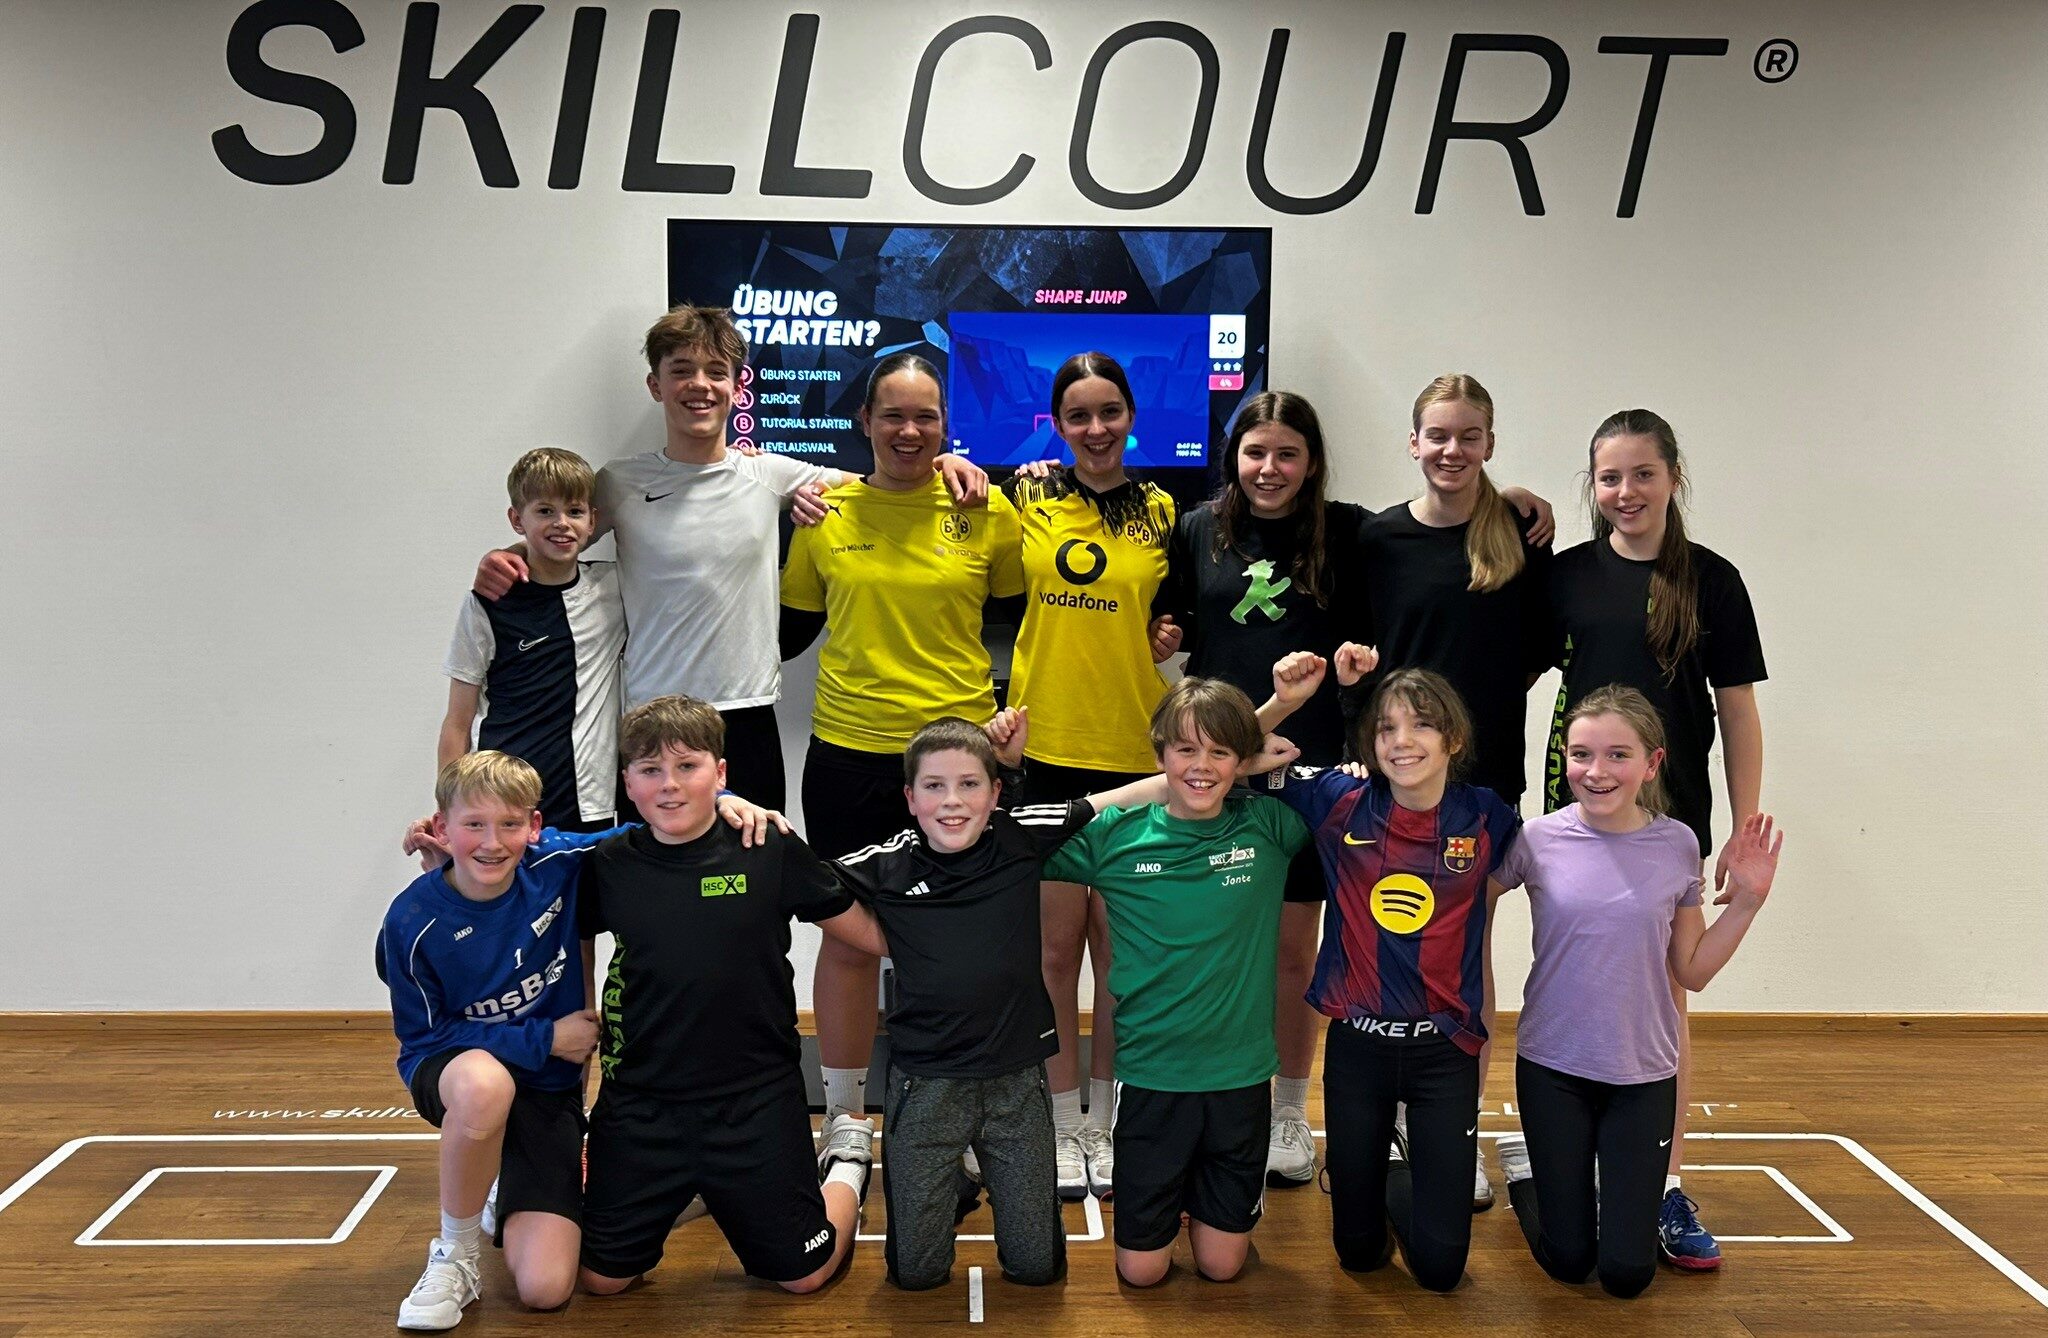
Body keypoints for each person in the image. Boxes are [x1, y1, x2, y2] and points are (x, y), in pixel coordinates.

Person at [472, 307, 986, 808]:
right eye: (682, 370)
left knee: (755, 863)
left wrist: (945, 460)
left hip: (749, 718)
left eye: (716, 371)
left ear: (738, 387)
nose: (700, 384)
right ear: (655, 385)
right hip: (653, 717)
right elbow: (558, 540)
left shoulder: (771, 475)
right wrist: (507, 555)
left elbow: (887, 484)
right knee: (653, 864)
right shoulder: (620, 481)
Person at [780, 352, 1025, 1168]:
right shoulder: (824, 514)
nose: (909, 431)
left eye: (926, 416)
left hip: (959, 763)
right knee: (851, 941)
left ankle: (959, 1111)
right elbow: (785, 631)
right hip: (849, 755)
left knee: (961, 944)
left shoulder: (986, 509)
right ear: (865, 421)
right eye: (893, 414)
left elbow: (1027, 620)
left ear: (946, 424)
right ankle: (847, 1117)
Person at [832, 711, 1174, 1291]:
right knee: (916, 1276)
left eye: (969, 784)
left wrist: (1235, 754)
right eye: (934, 786)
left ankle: (971, 1180)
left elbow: (1127, 795)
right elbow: (801, 885)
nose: (952, 801)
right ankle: (948, 1183)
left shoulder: (1019, 836)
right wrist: (738, 810)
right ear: (910, 798)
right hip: (926, 1083)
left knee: (1037, 1268)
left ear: (995, 793)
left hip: (1016, 1080)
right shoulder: (886, 863)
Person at [1542, 408, 1768, 1269]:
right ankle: (1566, 1154)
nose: (1626, 491)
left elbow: (1738, 712)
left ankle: (1663, 1182)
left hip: (1671, 821)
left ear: (1673, 476)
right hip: (1576, 812)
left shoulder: (1713, 581)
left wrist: (1743, 825)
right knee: (1573, 977)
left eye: (1643, 474)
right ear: (1592, 485)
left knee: (1668, 998)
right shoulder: (1565, 576)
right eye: (1610, 477)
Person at [574, 695, 890, 1296]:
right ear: (628, 784)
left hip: (755, 1098)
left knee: (805, 1276)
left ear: (719, 774)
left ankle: (847, 1163)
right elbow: (516, 865)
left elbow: (869, 934)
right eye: (650, 770)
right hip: (642, 1100)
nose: (669, 785)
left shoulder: (767, 847)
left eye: (687, 766)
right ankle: (706, 1190)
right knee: (600, 1280)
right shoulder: (607, 863)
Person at [1149, 390, 1372, 1190]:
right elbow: (1166, 622)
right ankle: (1197, 1100)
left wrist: (1511, 499)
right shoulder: (1196, 530)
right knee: (1205, 941)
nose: (1269, 469)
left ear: (1311, 462)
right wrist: (1162, 634)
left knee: (1290, 951)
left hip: (1309, 772)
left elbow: (1435, 527)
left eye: (1286, 454)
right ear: (1232, 458)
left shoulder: (1348, 532)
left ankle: (1286, 1109)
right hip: (1213, 770)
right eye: (1255, 453)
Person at [1496, 686, 1782, 1297]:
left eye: (1617, 755)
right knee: (1569, 1262)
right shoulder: (1536, 839)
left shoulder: (1678, 843)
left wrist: (1749, 902)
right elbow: (1460, 904)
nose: (1596, 771)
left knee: (1627, 1275)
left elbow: (1692, 970)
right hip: (1552, 1067)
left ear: (1652, 763)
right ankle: (1527, 1174)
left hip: (1643, 1075)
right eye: (1581, 755)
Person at [1254, 654, 1519, 1292]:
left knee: (1441, 1270)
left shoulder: (1488, 815)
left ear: (1453, 739)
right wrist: (1282, 704)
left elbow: (1566, 859)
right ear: (1370, 745)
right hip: (1359, 1049)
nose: (1402, 741)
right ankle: (1380, 1175)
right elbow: (1222, 755)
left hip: (1444, 1054)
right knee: (1358, 1255)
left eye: (1421, 725)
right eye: (1386, 729)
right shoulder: (1340, 799)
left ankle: (1431, 1171)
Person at [1354, 372, 1555, 1210]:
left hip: (1482, 787)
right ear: (1413, 442)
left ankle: (1453, 1132)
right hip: (1393, 788)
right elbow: (1359, 655)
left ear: (1490, 444)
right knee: (1388, 955)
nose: (1452, 449)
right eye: (1437, 435)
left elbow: (1534, 656)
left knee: (1463, 958)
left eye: (1469, 436)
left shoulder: (1518, 536)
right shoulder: (1376, 539)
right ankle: (1392, 1124)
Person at [1041, 678, 1311, 1287]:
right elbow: (1015, 835)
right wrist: (1150, 788)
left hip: (1241, 1081)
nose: (1201, 766)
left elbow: (1363, 800)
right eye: (1185, 750)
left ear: (1242, 760)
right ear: (1159, 753)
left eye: (1220, 753)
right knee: (1142, 1272)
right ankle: (1176, 1194)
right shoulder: (1115, 837)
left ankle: (1208, 1202)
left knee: (1221, 1267)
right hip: (1151, 1079)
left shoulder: (1269, 826)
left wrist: (1283, 719)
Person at [1005, 352, 1177, 1199]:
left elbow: (1174, 614)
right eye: (1079, 415)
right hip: (1047, 751)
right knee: (1050, 953)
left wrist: (1168, 633)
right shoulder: (1024, 496)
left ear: (1131, 415)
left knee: (1118, 957)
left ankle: (1104, 1123)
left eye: (1110, 412)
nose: (1097, 428)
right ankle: (1061, 1121)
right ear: (1057, 424)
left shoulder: (1166, 511)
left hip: (1138, 757)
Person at [378, 751, 616, 1330]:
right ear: (442, 828)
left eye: (509, 824)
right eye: (474, 825)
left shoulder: (555, 863)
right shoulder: (411, 921)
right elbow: (427, 1033)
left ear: (533, 826)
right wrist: (545, 1037)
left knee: (545, 1288)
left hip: (546, 1089)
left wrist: (727, 803)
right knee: (485, 1086)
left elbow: (653, 830)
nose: (492, 842)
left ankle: (501, 1180)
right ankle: (455, 1256)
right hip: (455, 1068)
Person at [441, 449, 625, 832]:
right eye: (544, 511)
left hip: (589, 803)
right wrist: (450, 813)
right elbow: (458, 721)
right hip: (503, 803)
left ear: (592, 521)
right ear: (516, 519)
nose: (561, 523)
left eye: (574, 511)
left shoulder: (615, 589)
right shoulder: (488, 602)